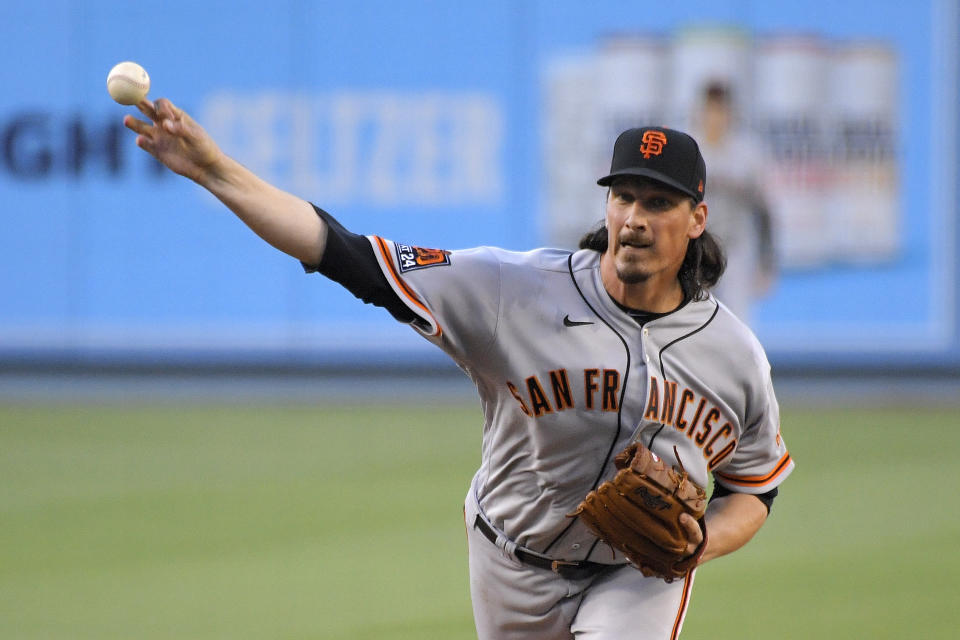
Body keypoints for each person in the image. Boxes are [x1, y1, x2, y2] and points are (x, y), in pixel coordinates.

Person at [124, 98, 794, 639]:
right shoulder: (516, 291)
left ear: (698, 218)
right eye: (625, 198)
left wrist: (696, 545)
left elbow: (754, 489)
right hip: (509, 558)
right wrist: (215, 172)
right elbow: (345, 254)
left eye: (658, 203)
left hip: (636, 577)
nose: (635, 218)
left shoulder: (733, 357)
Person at [691, 80, 776, 325]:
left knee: (738, 325)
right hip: (698, 251)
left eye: (720, 110)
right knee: (695, 322)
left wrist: (766, 261)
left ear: (730, 113)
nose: (715, 117)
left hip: (737, 250)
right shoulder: (690, 150)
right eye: (710, 110)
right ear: (700, 112)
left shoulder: (748, 155)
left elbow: (764, 212)